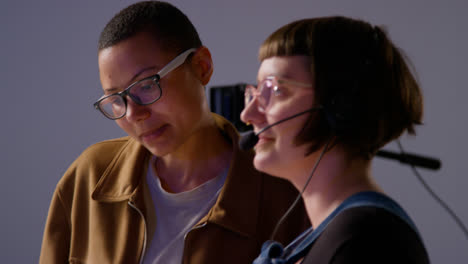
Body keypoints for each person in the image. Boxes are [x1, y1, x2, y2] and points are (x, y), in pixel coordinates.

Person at [39, 1, 310, 263]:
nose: (134, 114)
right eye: (116, 99)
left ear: (201, 67)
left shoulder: (282, 189)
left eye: (146, 85)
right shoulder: (90, 177)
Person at [240, 16, 430, 263]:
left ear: (341, 107)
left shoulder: (366, 242)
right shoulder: (334, 239)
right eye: (253, 93)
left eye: (276, 90)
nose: (248, 115)